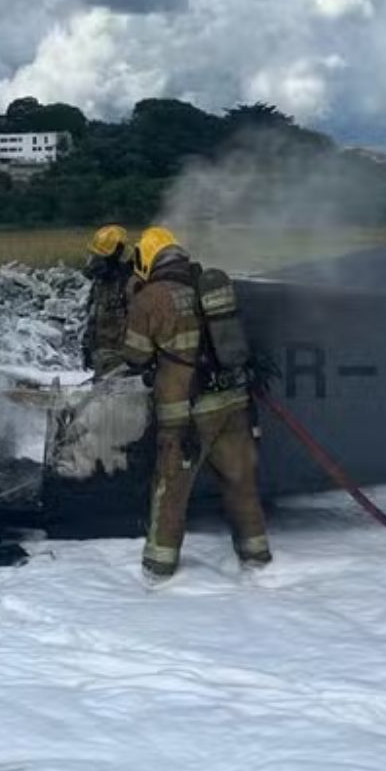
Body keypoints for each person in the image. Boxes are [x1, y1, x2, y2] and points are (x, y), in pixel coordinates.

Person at [120, 226, 270, 583]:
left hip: (186, 413)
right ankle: (257, 555)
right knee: (241, 482)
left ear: (147, 259)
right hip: (234, 403)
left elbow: (135, 356)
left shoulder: (151, 297)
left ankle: (159, 567)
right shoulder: (208, 284)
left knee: (170, 489)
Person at [82, 225, 135, 377]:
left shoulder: (131, 282)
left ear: (117, 253)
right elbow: (93, 312)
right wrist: (87, 343)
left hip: (120, 356)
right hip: (101, 353)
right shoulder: (101, 281)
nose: (96, 261)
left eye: (102, 256)